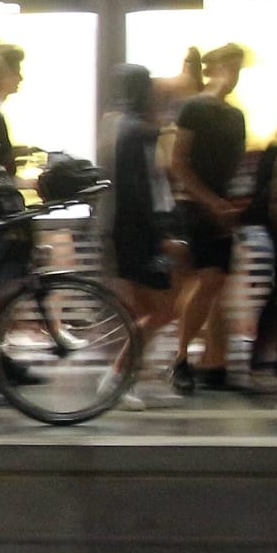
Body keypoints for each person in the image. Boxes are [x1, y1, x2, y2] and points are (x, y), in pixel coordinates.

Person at [101, 64, 185, 410]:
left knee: (149, 308)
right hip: (140, 235)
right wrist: (162, 233)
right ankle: (117, 377)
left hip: (125, 231)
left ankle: (125, 375)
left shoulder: (117, 124)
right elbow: (142, 189)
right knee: (162, 308)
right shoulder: (137, 132)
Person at [169, 43, 248, 393]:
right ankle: (183, 357)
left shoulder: (234, 115)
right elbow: (178, 162)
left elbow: (235, 164)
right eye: (229, 68)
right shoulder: (193, 108)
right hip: (194, 205)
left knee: (214, 283)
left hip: (219, 204)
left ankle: (205, 359)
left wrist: (228, 204)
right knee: (208, 280)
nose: (232, 77)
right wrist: (209, 201)